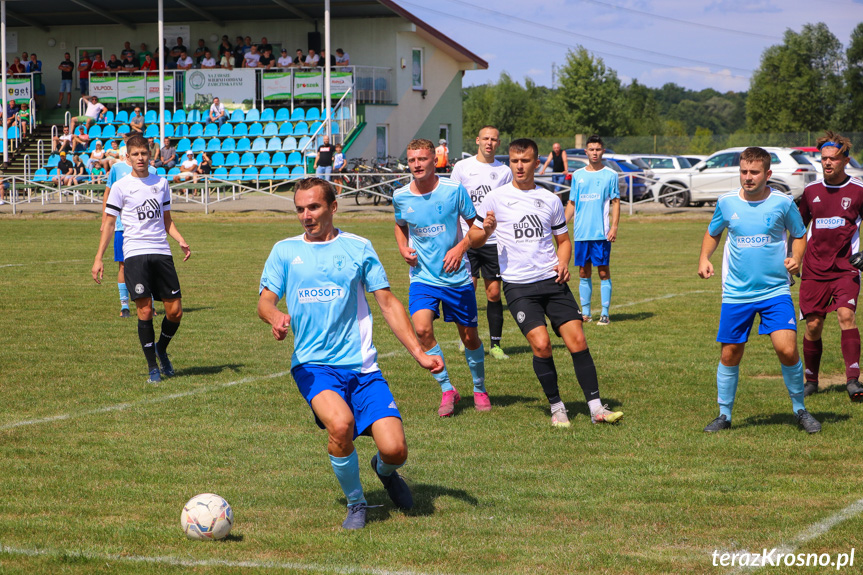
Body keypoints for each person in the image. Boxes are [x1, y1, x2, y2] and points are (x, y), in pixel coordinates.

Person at [257, 177, 443, 530]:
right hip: (314, 366)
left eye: (313, 207)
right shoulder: (284, 250)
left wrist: (420, 353)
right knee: (340, 425)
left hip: (363, 367)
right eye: (299, 209)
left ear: (333, 206)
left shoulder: (358, 247)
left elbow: (387, 304)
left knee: (395, 450)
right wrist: (275, 315)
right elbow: (265, 301)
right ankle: (357, 503)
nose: (305, 215)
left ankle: (384, 472)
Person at [468, 138, 623, 427]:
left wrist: (563, 262)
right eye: (514, 161)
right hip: (518, 286)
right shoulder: (495, 198)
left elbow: (563, 241)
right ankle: (557, 407)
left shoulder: (550, 199)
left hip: (552, 282)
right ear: (510, 163)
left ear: (536, 163)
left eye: (525, 161)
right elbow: (473, 239)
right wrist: (486, 230)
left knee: (577, 340)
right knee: (541, 346)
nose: (520, 166)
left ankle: (596, 407)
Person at [697, 146, 820, 433]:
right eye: (743, 171)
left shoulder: (782, 202)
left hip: (775, 291)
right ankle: (724, 415)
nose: (748, 177)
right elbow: (713, 232)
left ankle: (800, 410)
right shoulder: (726, 202)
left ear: (768, 174)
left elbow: (799, 234)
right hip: (736, 294)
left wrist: (796, 257)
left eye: (754, 172)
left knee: (787, 349)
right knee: (730, 354)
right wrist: (704, 258)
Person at [393, 138, 490, 416]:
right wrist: (402, 248)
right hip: (422, 277)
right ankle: (447, 388)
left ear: (435, 160)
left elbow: (476, 229)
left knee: (469, 337)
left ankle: (479, 388)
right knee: (422, 330)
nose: (417, 165)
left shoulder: (454, 190)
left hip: (457, 277)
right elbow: (400, 225)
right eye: (412, 160)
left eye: (422, 159)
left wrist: (460, 248)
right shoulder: (401, 196)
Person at [93, 134, 190, 382]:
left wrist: (180, 239)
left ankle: (162, 348)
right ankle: (152, 368)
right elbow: (109, 222)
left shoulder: (162, 182)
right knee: (145, 311)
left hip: (161, 252)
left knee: (175, 311)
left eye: (144, 154)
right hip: (135, 253)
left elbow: (167, 220)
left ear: (150, 155)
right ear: (127, 157)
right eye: (135, 154)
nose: (140, 158)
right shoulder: (120, 186)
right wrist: (99, 257)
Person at [797, 132, 863, 403]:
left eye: (833, 159)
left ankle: (853, 380)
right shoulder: (811, 192)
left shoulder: (859, 191)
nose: (827, 163)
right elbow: (798, 229)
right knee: (813, 325)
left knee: (846, 316)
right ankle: (811, 380)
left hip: (846, 267)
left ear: (845, 160)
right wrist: (793, 259)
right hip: (814, 270)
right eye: (823, 159)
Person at [450, 125, 513, 360]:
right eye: (485, 138)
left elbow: (506, 205)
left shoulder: (505, 171)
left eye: (494, 139)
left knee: (494, 293)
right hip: (467, 238)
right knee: (468, 288)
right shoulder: (462, 167)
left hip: (493, 241)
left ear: (498, 143)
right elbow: (453, 201)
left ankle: (495, 345)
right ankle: (465, 337)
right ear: (477, 140)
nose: (489, 143)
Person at [564, 135, 620, 326]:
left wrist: (614, 226)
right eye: (591, 149)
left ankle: (605, 313)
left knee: (603, 272)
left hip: (600, 233)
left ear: (602, 151)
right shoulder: (578, 175)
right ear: (586, 151)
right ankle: (585, 313)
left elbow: (616, 202)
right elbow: (572, 203)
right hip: (581, 233)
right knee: (583, 272)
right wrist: (561, 224)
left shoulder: (610, 175)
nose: (594, 152)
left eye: (598, 149)